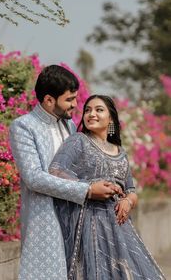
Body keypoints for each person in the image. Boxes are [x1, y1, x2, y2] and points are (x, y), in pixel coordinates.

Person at [9, 66, 122, 280]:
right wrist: (87, 190)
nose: (75, 105)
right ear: (49, 100)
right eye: (69, 99)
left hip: (77, 219)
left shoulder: (70, 126)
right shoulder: (24, 127)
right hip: (46, 219)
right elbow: (33, 178)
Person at [49, 94, 166, 280]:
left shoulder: (120, 152)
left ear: (111, 118)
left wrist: (128, 201)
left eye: (99, 110)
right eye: (87, 110)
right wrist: (89, 187)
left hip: (119, 228)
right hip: (90, 223)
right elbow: (55, 171)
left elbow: (131, 190)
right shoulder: (78, 141)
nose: (91, 114)